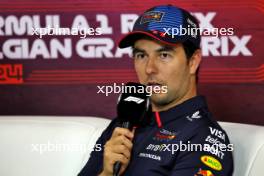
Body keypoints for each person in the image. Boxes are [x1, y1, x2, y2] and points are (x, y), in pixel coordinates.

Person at [78, 4, 233, 176]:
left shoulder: (203, 139)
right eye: (141, 55)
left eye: (164, 55)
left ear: (193, 61)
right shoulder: (121, 125)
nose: (149, 69)